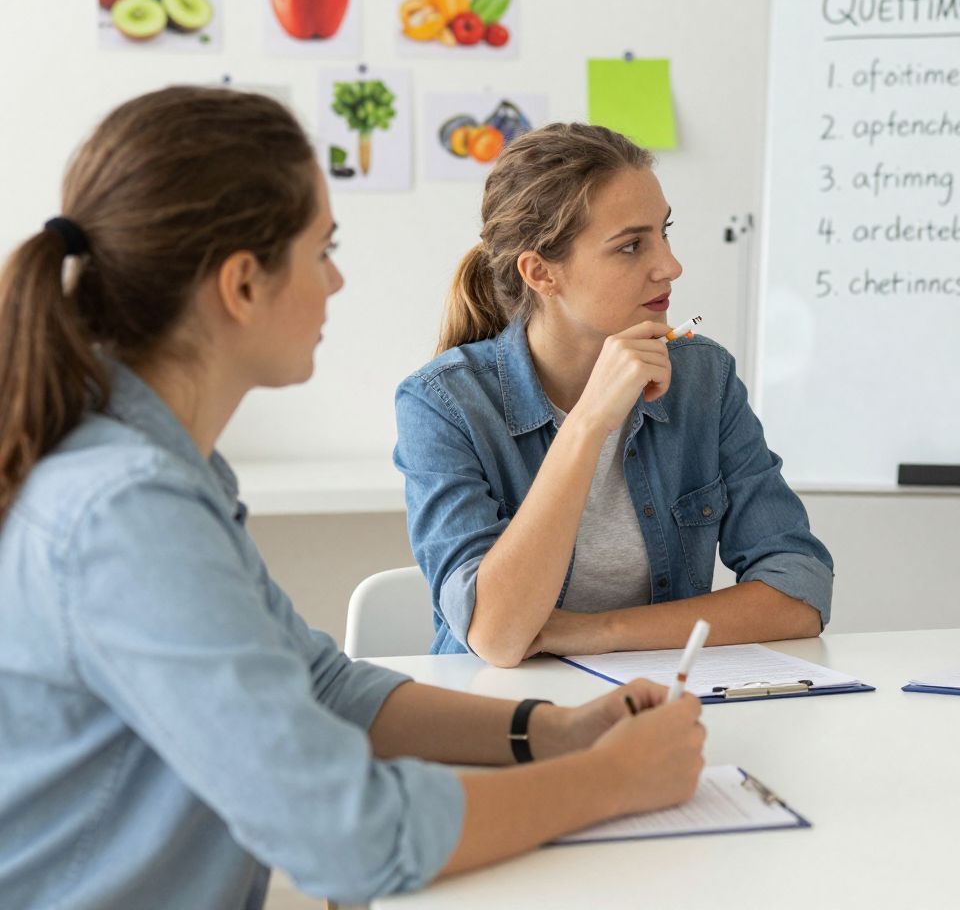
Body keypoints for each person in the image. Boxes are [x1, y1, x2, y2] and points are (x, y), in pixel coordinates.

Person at [0, 87, 705, 908]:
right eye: (322, 249)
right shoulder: (127, 512)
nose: (336, 281)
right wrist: (608, 781)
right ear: (241, 285)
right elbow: (352, 837)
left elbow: (319, 684)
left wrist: (552, 730)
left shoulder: (164, 468)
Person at [398, 123, 832, 666]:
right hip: (500, 715)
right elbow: (499, 635)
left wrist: (596, 633)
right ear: (540, 273)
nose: (671, 266)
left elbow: (800, 591)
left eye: (664, 232)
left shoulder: (704, 379)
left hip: (657, 704)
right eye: (630, 246)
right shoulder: (442, 404)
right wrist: (587, 424)